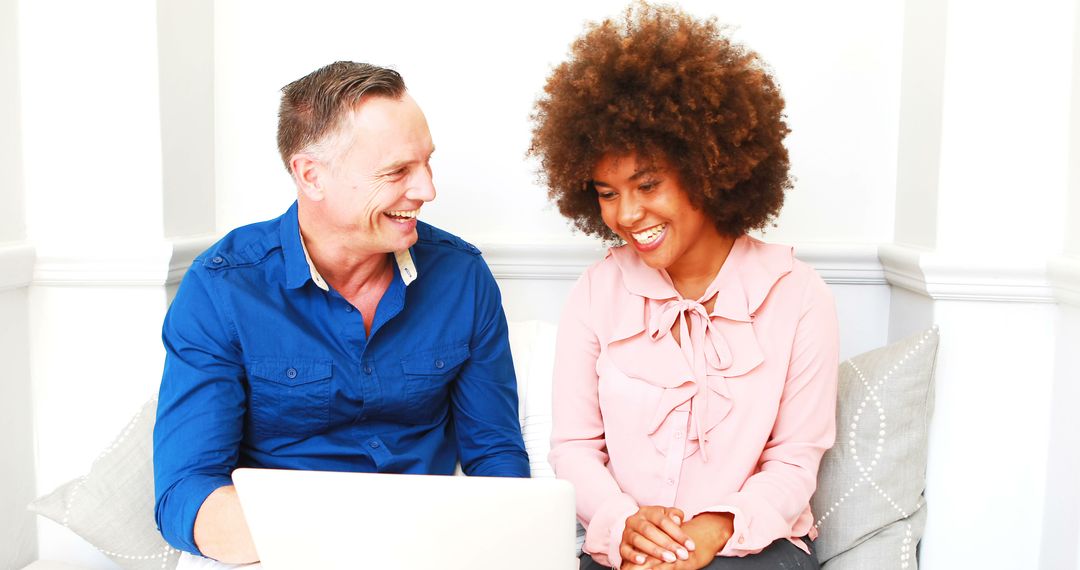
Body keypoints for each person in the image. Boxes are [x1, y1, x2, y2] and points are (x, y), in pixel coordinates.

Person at [154, 61, 529, 564]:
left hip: (427, 547)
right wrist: (330, 546)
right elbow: (186, 491)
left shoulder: (462, 276)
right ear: (311, 175)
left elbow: (496, 454)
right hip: (278, 551)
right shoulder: (223, 289)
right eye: (397, 172)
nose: (427, 191)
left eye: (426, 163)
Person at [530, 5, 838, 570]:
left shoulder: (798, 294)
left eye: (648, 184)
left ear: (707, 166)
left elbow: (796, 459)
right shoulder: (598, 292)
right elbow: (574, 449)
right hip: (629, 550)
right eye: (606, 192)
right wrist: (625, 524)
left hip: (753, 547)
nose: (626, 214)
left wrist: (715, 528)